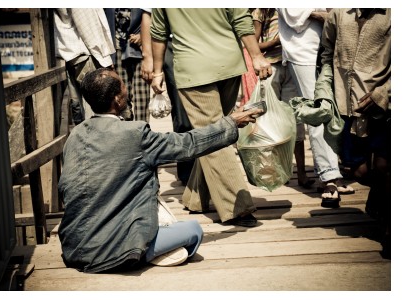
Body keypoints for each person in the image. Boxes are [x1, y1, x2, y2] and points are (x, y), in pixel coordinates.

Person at [58, 68, 264, 272]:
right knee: (193, 231)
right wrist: (232, 123)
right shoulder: (135, 133)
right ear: (117, 100)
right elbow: (188, 144)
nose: (126, 89)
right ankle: (138, 253)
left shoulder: (75, 136)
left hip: (73, 248)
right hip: (114, 249)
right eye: (123, 87)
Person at [150, 8, 272, 227]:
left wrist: (157, 71)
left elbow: (158, 32)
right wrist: (256, 56)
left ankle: (235, 206)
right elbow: (241, 19)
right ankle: (210, 201)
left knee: (215, 133)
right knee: (217, 131)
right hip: (229, 64)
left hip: (194, 68)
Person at [318, 8, 390, 257]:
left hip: (385, 107)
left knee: (385, 166)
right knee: (355, 170)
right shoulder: (338, 13)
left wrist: (383, 94)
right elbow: (326, 56)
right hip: (346, 105)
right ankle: (381, 197)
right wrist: (323, 93)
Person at [276, 8, 354, 208]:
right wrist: (330, 15)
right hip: (303, 53)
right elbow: (295, 14)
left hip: (330, 50)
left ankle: (332, 174)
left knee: (332, 110)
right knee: (317, 112)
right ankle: (329, 178)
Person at [253, 8, 314, 189]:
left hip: (294, 65)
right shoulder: (261, 11)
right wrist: (276, 42)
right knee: (270, 119)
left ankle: (301, 172)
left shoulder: (296, 9)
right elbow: (253, 45)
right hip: (271, 68)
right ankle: (277, 171)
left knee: (295, 121)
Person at [140, 8, 195, 185]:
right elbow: (147, 15)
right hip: (174, 44)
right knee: (183, 114)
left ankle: (210, 169)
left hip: (207, 43)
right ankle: (188, 172)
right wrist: (149, 57)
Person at [53, 8, 115, 125]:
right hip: (85, 53)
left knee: (78, 107)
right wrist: (104, 57)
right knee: (95, 109)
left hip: (71, 53)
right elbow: (86, 22)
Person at [105, 8, 151, 122]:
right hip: (116, 50)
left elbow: (154, 16)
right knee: (120, 95)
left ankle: (142, 131)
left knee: (142, 97)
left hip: (140, 50)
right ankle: (126, 131)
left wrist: (144, 35)